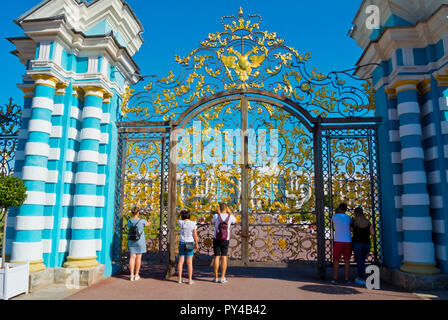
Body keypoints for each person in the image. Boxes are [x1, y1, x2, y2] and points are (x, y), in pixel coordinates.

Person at [211, 203, 237, 284]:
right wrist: (230, 212)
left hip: (216, 238)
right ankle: (222, 278)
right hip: (226, 239)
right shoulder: (230, 217)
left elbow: (212, 221)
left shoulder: (216, 216)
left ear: (219, 208)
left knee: (216, 257)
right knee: (224, 257)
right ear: (226, 209)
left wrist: (217, 213)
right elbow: (236, 220)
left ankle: (215, 278)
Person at [351, 207, 374, 285]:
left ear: (355, 213)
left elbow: (350, 230)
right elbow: (372, 233)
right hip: (366, 244)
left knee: (360, 262)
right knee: (362, 261)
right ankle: (361, 277)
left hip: (357, 243)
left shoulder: (354, 222)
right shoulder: (367, 222)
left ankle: (361, 278)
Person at [128, 205, 151, 281]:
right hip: (140, 241)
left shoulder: (129, 221)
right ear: (138, 212)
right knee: (138, 258)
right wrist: (147, 216)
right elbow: (148, 224)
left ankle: (131, 275)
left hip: (131, 240)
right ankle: (136, 274)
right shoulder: (142, 221)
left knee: (132, 257)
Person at [331, 203, 352, 284]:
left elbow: (335, 220)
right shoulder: (348, 217)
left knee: (336, 259)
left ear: (339, 208)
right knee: (347, 260)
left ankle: (335, 278)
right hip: (348, 240)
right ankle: (347, 279)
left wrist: (337, 211)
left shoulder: (334, 216)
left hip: (338, 240)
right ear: (346, 209)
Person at [177, 209, 198, 285]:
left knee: (180, 261)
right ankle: (189, 279)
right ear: (189, 216)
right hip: (190, 242)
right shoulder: (193, 223)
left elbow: (177, 217)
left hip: (182, 242)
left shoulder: (181, 222)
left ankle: (179, 279)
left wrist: (180, 212)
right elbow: (195, 235)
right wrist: (196, 243)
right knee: (189, 262)